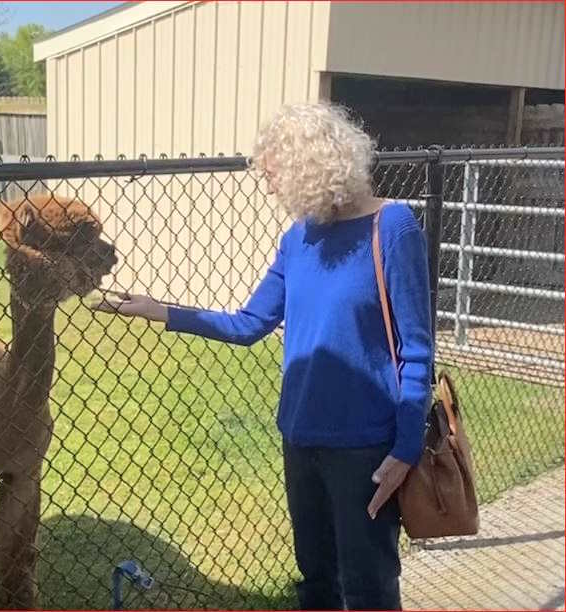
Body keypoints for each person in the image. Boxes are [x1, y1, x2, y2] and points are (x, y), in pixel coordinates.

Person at [94, 102, 433, 611]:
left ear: (307, 167)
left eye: (273, 175)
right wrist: (158, 310)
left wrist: (405, 451)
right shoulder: (298, 238)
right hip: (300, 439)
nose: (269, 187)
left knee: (368, 586)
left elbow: (416, 352)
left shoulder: (395, 227)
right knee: (316, 579)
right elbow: (249, 324)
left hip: (366, 450)